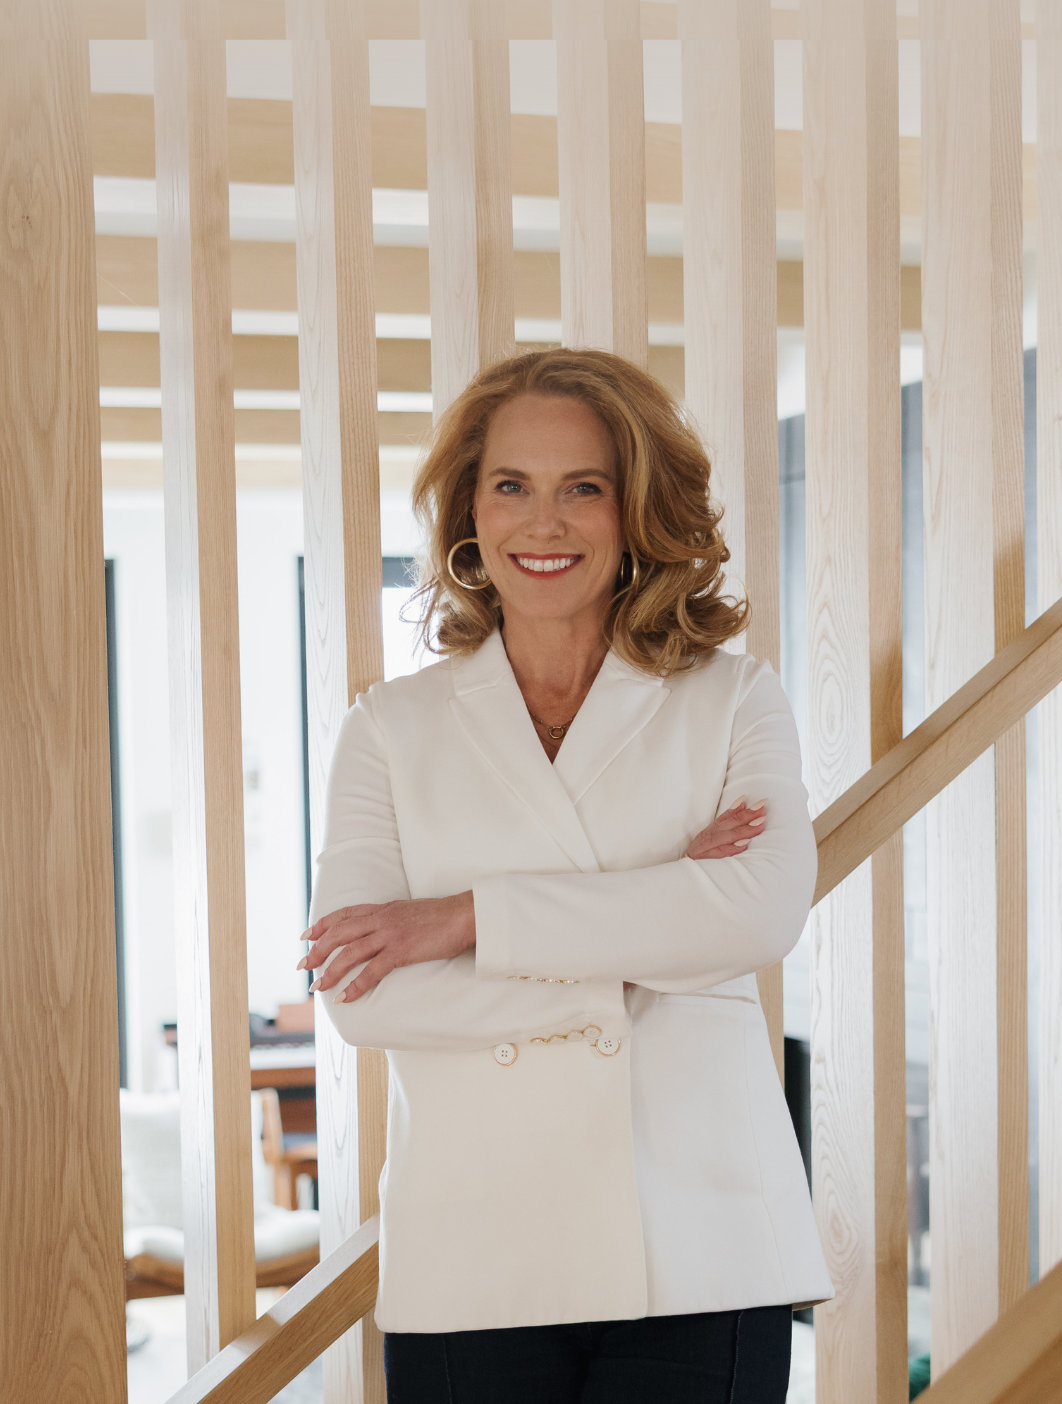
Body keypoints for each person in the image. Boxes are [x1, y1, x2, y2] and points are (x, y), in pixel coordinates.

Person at [299, 347, 827, 1403]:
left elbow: (760, 910)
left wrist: (459, 921)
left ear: (634, 512)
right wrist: (654, 935)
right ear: (469, 515)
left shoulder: (731, 698)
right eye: (512, 487)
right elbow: (363, 993)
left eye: (582, 488)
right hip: (473, 1243)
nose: (544, 523)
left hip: (699, 1236)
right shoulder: (388, 729)